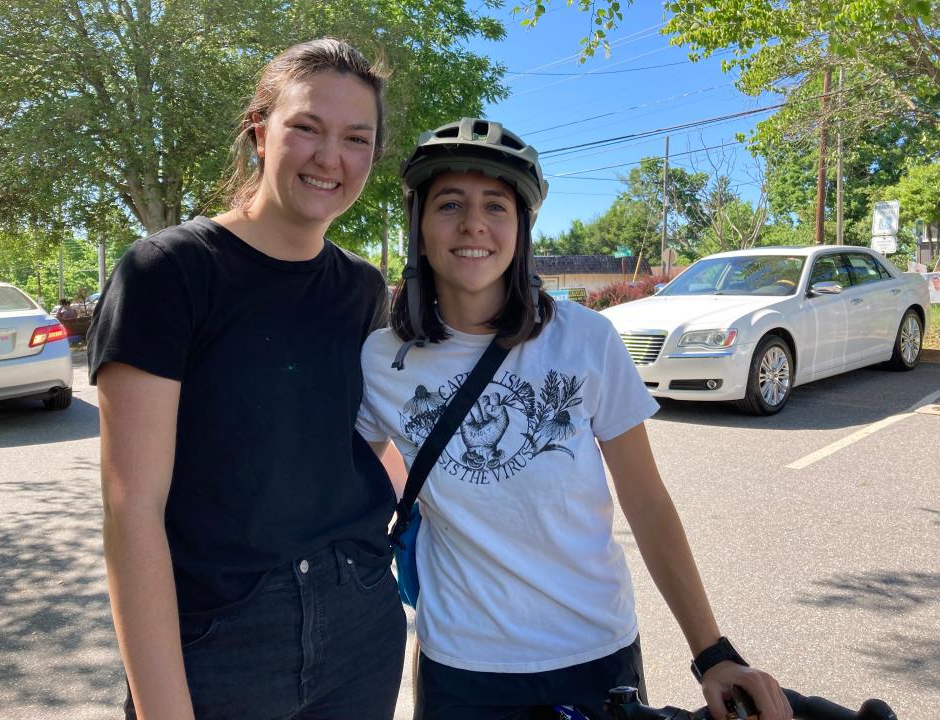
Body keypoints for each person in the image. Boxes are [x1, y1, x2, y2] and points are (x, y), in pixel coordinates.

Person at [356, 118, 793, 720]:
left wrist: (712, 652)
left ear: (522, 229)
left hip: (595, 654)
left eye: (495, 206)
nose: (473, 224)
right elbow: (336, 491)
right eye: (449, 204)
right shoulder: (382, 360)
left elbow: (647, 502)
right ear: (420, 230)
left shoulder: (587, 339)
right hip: (462, 665)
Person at [87, 39, 405, 720]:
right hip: (222, 635)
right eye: (306, 128)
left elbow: (361, 442)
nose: (331, 157)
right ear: (259, 132)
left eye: (357, 138)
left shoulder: (362, 287)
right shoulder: (168, 273)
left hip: (362, 618)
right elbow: (130, 509)